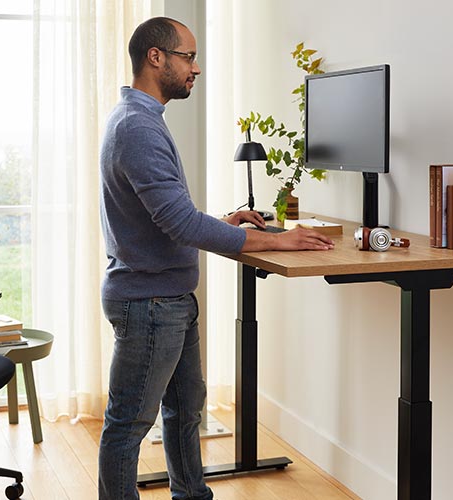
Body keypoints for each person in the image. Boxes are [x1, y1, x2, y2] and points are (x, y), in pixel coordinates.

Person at [98, 16, 334, 500]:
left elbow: (167, 216)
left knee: (185, 414)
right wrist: (277, 240)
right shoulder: (138, 127)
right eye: (188, 56)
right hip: (150, 302)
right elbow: (181, 224)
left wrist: (226, 223)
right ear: (156, 57)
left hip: (167, 298)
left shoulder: (140, 120)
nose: (197, 68)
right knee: (128, 426)